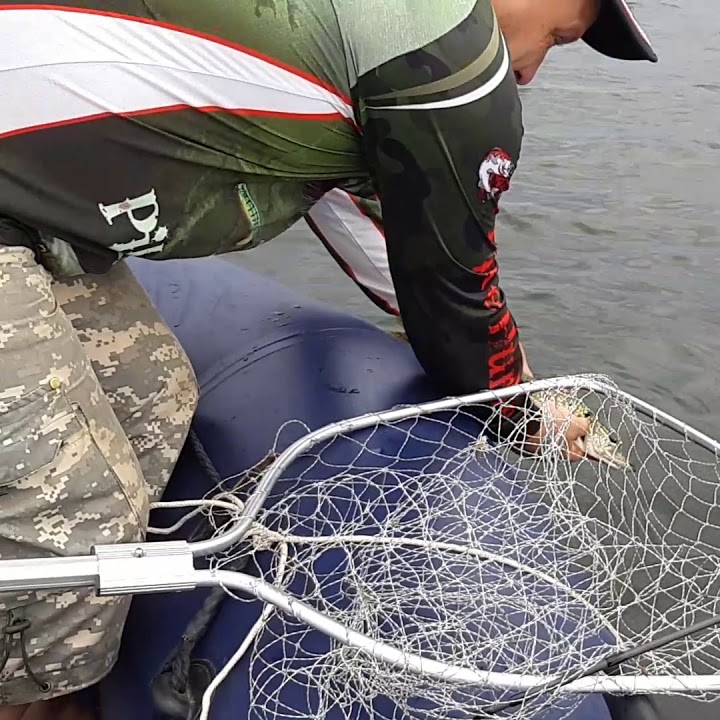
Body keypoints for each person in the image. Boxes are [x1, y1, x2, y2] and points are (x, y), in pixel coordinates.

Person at [0, 0, 657, 716]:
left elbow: (387, 247)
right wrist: (522, 418)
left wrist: (519, 387)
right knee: (79, 499)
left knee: (154, 401)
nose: (529, 71)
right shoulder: (452, 61)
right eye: (558, 35)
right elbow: (455, 300)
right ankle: (35, 703)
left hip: (26, 206)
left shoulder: (365, 45)